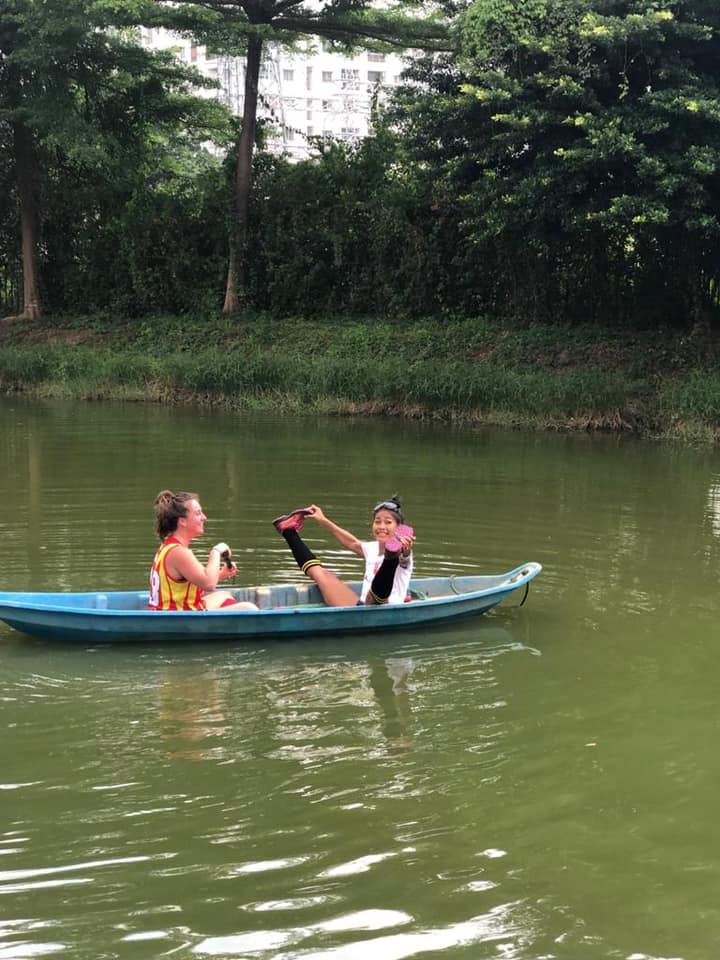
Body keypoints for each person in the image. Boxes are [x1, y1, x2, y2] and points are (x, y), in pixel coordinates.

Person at [272, 497, 415, 607]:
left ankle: (390, 557)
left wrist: (402, 552)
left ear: (398, 528)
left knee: (375, 594)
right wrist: (323, 520)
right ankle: (288, 531)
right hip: (362, 608)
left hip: (385, 608)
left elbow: (405, 558)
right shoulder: (371, 548)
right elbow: (351, 542)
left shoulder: (404, 553)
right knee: (321, 573)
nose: (381, 526)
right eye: (377, 521)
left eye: (388, 522)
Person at [149, 490, 257, 611]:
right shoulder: (178, 552)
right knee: (249, 608)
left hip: (173, 613)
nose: (204, 517)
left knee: (225, 595)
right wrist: (216, 551)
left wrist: (220, 575)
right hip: (177, 619)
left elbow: (191, 583)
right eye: (198, 513)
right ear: (182, 521)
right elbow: (209, 584)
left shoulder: (169, 547)